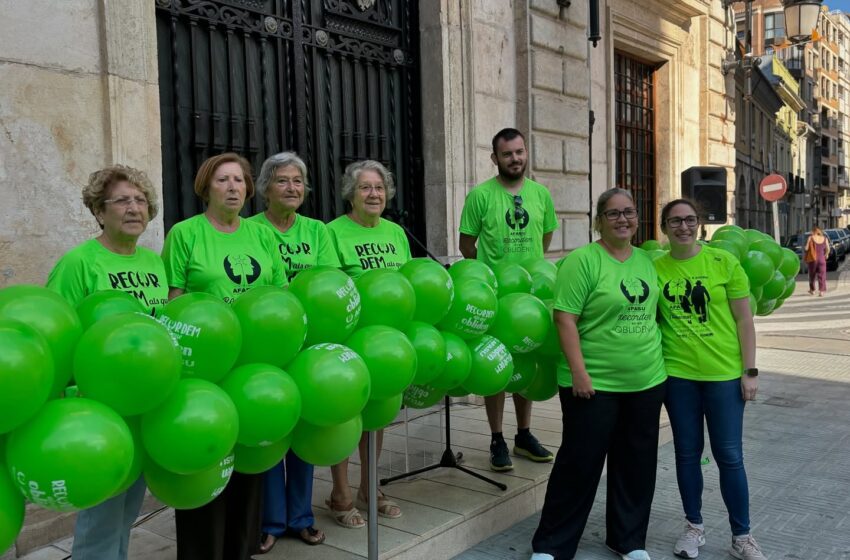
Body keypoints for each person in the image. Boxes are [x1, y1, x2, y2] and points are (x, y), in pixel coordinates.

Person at [161, 153, 286, 560]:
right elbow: (173, 301)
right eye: (223, 180)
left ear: (249, 189)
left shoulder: (262, 235)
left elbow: (279, 296)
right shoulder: (185, 233)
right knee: (206, 458)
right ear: (205, 187)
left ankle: (241, 550)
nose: (233, 188)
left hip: (252, 364)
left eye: (239, 180)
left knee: (249, 463)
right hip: (206, 367)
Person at [530, 188, 667, 560]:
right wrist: (579, 373)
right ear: (598, 221)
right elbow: (564, 318)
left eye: (629, 212)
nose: (623, 219)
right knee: (579, 464)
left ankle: (628, 540)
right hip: (593, 383)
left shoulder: (647, 261)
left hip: (645, 381)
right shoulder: (583, 261)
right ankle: (552, 546)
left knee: (637, 463)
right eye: (613, 214)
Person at [46, 165, 168, 560]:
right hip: (99, 405)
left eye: (141, 201)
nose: (134, 208)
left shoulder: (153, 263)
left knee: (127, 508)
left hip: (142, 404)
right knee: (101, 514)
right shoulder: (80, 262)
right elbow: (55, 330)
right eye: (122, 201)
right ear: (99, 212)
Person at [654, 199, 764, 560]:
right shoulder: (656, 268)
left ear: (699, 224)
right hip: (678, 377)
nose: (683, 227)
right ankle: (694, 528)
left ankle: (742, 537)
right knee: (687, 454)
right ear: (664, 227)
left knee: (730, 456)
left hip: (723, 377)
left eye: (689, 220)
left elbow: (744, 321)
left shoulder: (723, 262)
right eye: (675, 221)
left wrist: (749, 372)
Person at [249, 152, 337, 553]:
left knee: (303, 425)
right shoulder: (250, 230)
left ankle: (300, 517)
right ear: (266, 188)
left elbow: (325, 282)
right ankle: (270, 520)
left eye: (298, 181)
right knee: (270, 426)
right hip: (263, 340)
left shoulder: (317, 231)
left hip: (308, 341)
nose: (291, 188)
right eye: (282, 180)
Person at [458, 127, 558, 472]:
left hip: (531, 295)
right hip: (497, 295)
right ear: (494, 159)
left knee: (527, 360)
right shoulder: (480, 196)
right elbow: (466, 246)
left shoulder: (541, 195)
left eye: (519, 152)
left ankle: (524, 435)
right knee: (498, 366)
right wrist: (494, 273)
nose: (514, 159)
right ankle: (497, 438)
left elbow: (544, 238)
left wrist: (527, 270)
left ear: (526, 152)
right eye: (507, 154)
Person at [324, 159, 411, 528]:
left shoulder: (395, 233)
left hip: (387, 340)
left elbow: (406, 284)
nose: (374, 194)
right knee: (347, 414)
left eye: (379, 187)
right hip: (350, 334)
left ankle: (369, 487)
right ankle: (340, 493)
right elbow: (330, 286)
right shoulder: (332, 233)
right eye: (365, 188)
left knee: (377, 416)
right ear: (351, 194)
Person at [804, 226, 829, 296]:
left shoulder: (810, 238)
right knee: (822, 275)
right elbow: (828, 248)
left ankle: (812, 290)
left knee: (812, 275)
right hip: (822, 259)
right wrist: (826, 254)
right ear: (820, 231)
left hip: (813, 260)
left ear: (813, 231)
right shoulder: (824, 238)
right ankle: (821, 291)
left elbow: (806, 248)